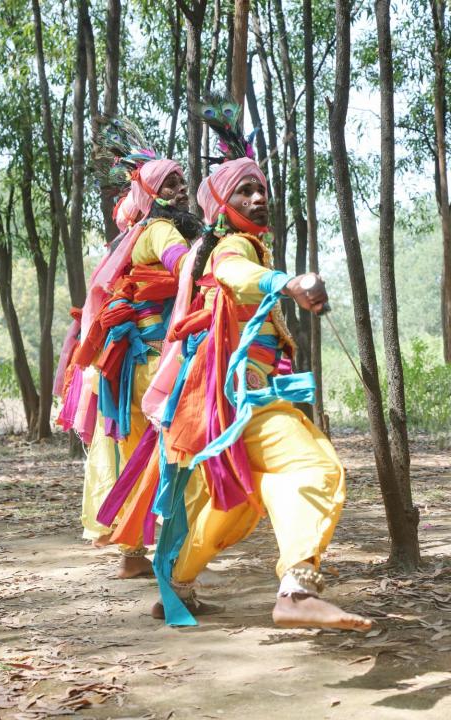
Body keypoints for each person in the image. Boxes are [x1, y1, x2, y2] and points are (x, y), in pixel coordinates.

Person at [144, 152, 372, 632]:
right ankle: (297, 590)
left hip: (222, 401)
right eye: (245, 191)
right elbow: (234, 276)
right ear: (222, 206)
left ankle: (175, 588)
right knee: (313, 465)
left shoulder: (246, 245)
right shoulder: (232, 247)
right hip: (238, 397)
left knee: (236, 503)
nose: (259, 198)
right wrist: (286, 282)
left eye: (262, 189)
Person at [54, 118, 204, 579]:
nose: (181, 190)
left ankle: (133, 554)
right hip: (159, 364)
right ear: (152, 195)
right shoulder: (162, 232)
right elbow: (186, 269)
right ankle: (178, 556)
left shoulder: (131, 240)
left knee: (135, 452)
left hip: (129, 368)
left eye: (183, 181)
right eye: (171, 183)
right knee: (181, 453)